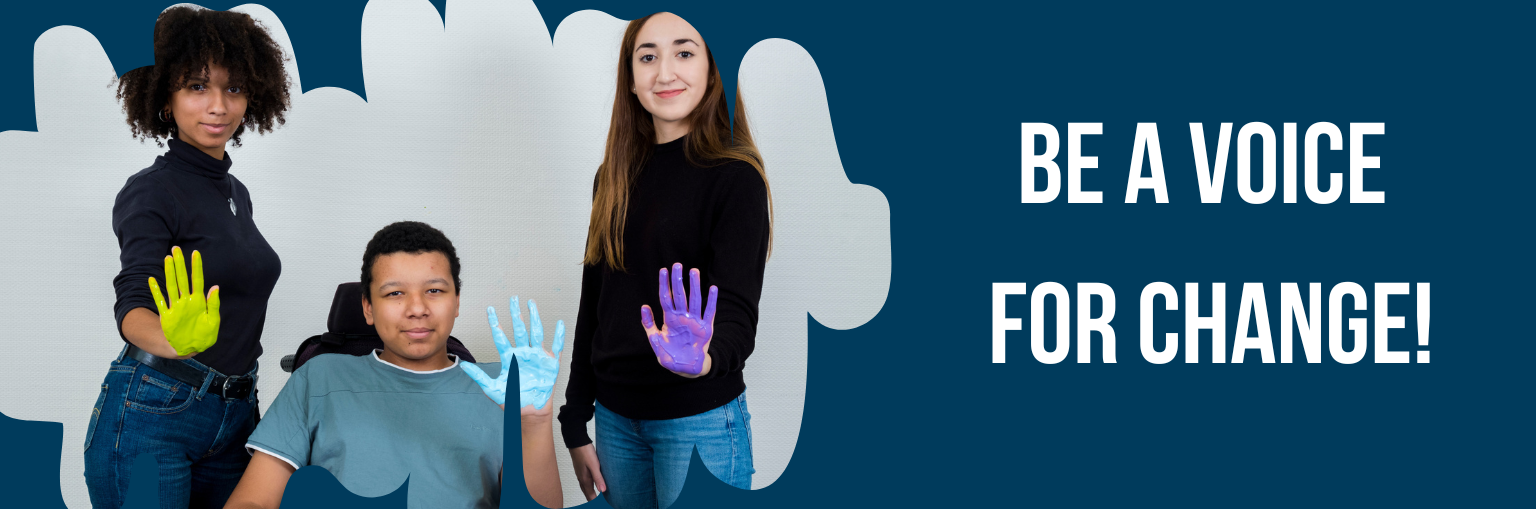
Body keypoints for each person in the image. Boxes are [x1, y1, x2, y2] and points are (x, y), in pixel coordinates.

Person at [559, 12, 772, 509]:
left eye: (684, 52)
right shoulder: (611, 176)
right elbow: (595, 306)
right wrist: (575, 423)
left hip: (698, 421)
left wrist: (703, 362)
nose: (665, 73)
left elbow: (739, 314)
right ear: (630, 80)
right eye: (647, 57)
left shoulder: (735, 177)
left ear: (713, 69)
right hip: (614, 420)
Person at [84, 6, 291, 508]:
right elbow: (131, 302)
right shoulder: (151, 192)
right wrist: (170, 339)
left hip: (235, 413)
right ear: (165, 96)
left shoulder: (235, 191)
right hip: (156, 410)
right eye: (197, 87)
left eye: (234, 88)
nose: (218, 105)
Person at [223, 221, 564, 509]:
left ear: (456, 301)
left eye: (434, 290)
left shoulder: (502, 388)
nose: (417, 308)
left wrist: (534, 421)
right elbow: (252, 501)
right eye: (395, 294)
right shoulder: (319, 377)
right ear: (368, 308)